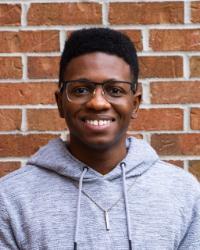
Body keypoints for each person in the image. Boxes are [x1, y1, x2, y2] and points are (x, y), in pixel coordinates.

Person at [0, 28, 200, 250]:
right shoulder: (11, 198)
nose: (98, 103)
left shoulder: (184, 193)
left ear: (135, 103)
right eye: (81, 90)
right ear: (60, 103)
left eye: (114, 90)